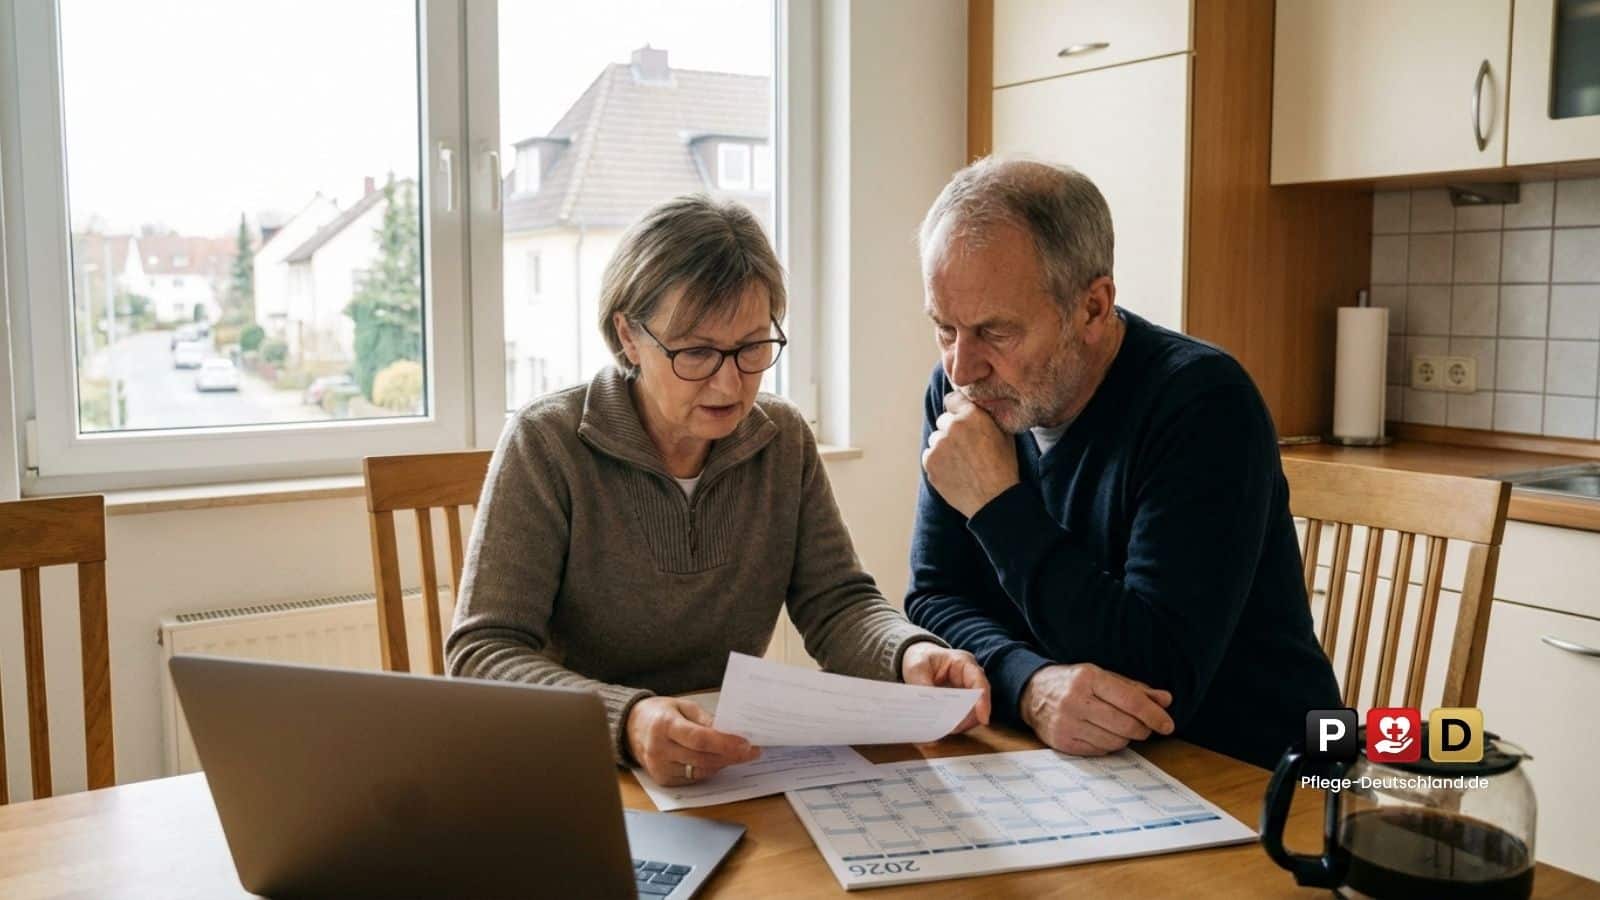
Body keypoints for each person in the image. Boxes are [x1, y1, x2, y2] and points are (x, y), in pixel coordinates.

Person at [449, 195, 991, 788]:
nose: (731, 382)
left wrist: (908, 653)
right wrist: (627, 719)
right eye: (698, 352)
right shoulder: (546, 443)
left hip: (722, 761)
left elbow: (837, 603)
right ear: (630, 336)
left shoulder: (780, 439)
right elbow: (483, 653)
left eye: (753, 347)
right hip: (575, 767)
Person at [905, 157, 1340, 769]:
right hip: (1080, 771)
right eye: (944, 328)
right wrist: (1028, 685)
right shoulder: (961, 392)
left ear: (1092, 307)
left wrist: (998, 506)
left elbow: (1156, 675)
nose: (961, 367)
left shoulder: (1204, 402)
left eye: (995, 332)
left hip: (1260, 774)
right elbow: (934, 598)